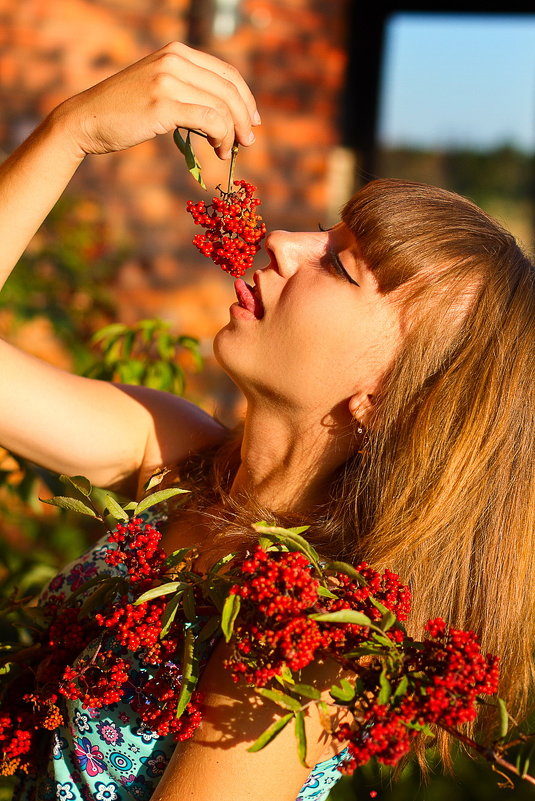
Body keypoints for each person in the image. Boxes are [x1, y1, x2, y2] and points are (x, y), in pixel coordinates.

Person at [1, 40, 533, 801]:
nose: (282, 243)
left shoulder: (302, 637)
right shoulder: (182, 460)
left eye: (342, 265)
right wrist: (69, 133)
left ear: (384, 399)